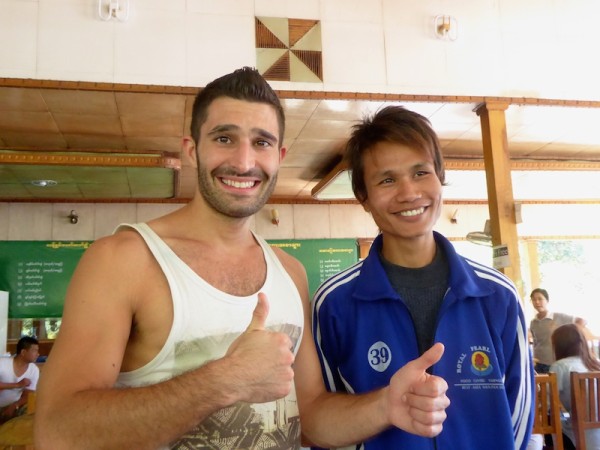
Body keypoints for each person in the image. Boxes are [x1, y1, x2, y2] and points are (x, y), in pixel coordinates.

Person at [34, 67, 450, 449]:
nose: (244, 161)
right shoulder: (124, 260)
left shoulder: (291, 272)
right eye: (224, 138)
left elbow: (310, 418)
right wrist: (223, 381)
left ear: (279, 158)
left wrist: (384, 407)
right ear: (192, 150)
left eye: (261, 143)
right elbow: (57, 431)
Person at [311, 105, 534, 449]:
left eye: (420, 173)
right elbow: (322, 421)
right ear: (363, 198)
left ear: (439, 178)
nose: (409, 192)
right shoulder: (334, 303)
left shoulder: (497, 295)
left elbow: (519, 416)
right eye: (387, 180)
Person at [550, 323, 600, 449]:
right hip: (597, 430)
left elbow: (549, 403)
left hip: (579, 434)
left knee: (553, 421)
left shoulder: (560, 366)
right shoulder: (595, 363)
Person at [530, 287, 587, 374]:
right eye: (534, 300)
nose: (537, 302)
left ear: (547, 301)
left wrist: (570, 334)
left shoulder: (558, 317)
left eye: (540, 299)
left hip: (554, 363)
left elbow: (582, 321)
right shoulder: (533, 322)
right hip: (538, 363)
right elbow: (536, 342)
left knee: (555, 387)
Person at [0, 336, 40, 424]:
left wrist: (14, 406)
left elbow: (28, 394)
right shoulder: (2, 363)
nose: (38, 354)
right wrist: (17, 385)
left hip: (14, 406)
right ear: (23, 352)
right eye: (35, 350)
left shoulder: (34, 369)